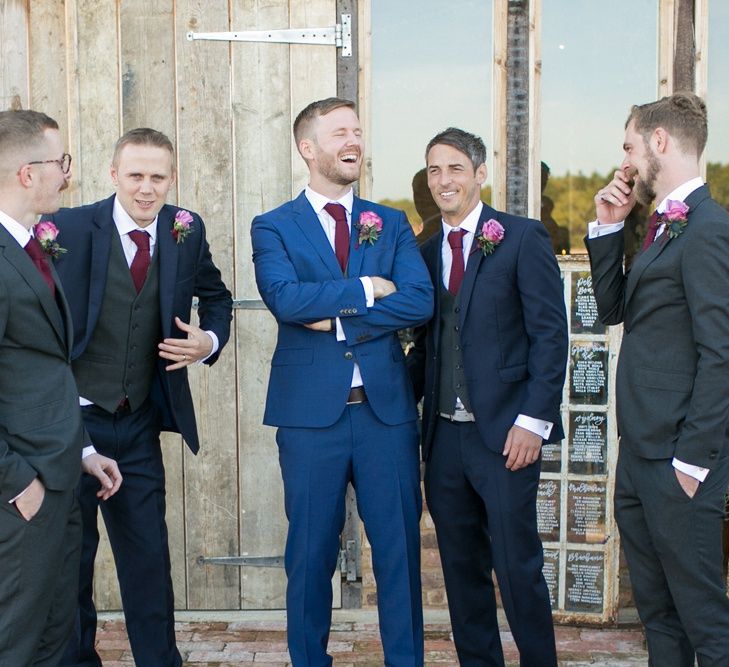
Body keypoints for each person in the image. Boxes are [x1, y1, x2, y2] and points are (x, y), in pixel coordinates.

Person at [251, 97, 433, 666]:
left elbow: (420, 301)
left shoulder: (392, 221)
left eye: (357, 129)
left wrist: (332, 316)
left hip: (386, 415)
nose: (353, 140)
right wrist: (364, 291)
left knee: (399, 553)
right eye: (339, 133)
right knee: (309, 554)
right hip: (309, 418)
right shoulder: (273, 226)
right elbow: (284, 299)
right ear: (308, 148)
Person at [47, 127, 233, 667]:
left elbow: (216, 296)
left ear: (171, 178)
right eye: (135, 176)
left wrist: (208, 340)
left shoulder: (185, 229)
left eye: (158, 177)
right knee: (73, 562)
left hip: (137, 421)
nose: (147, 188)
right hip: (71, 425)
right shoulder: (67, 227)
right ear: (113, 176)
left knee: (149, 558)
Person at [407, 127, 567, 667]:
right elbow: (428, 344)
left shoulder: (520, 237)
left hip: (505, 436)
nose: (443, 179)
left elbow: (550, 335)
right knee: (460, 569)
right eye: (434, 170)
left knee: (517, 566)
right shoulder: (425, 253)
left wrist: (534, 421)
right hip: (444, 440)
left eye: (454, 168)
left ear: (479, 174)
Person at [586, 92, 729, 666]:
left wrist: (692, 463)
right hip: (641, 454)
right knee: (658, 619)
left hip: (680, 462)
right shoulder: (662, 227)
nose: (625, 161)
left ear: (660, 142)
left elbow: (721, 354)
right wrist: (606, 229)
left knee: (705, 625)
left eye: (629, 146)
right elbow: (615, 308)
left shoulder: (710, 230)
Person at [0, 109, 121, 666]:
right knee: (15, 642)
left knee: (56, 637)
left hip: (60, 477)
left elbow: (43, 371)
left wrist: (83, 452)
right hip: (21, 494)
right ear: (28, 173)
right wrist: (15, 481)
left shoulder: (31, 246)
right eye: (60, 162)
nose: (66, 174)